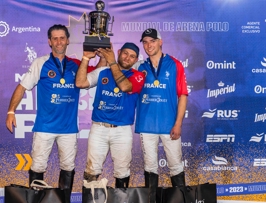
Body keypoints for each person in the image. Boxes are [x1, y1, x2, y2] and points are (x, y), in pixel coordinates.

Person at [5, 24, 105, 203]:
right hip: (45, 126)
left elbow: (98, 72)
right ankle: (36, 201)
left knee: (68, 167)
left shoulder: (77, 64)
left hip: (68, 128)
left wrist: (103, 52)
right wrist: (11, 111)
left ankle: (64, 201)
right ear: (50, 42)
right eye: (55, 38)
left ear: (67, 41)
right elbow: (22, 87)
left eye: (62, 38)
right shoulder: (41, 63)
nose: (59, 41)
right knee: (37, 166)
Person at [76, 42, 145, 188]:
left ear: (136, 60)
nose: (127, 58)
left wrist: (112, 61)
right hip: (99, 128)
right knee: (91, 170)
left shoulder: (138, 76)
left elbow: (125, 87)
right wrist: (86, 58)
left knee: (122, 172)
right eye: (125, 53)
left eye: (132, 56)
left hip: (122, 130)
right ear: (119, 52)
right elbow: (80, 83)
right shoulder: (102, 72)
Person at [134, 28, 188, 202]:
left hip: (169, 125)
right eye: (145, 42)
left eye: (152, 41)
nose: (149, 45)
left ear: (160, 42)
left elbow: (183, 95)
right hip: (146, 125)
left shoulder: (175, 64)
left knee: (175, 165)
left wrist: (178, 123)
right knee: (150, 166)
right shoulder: (139, 67)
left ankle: (180, 200)